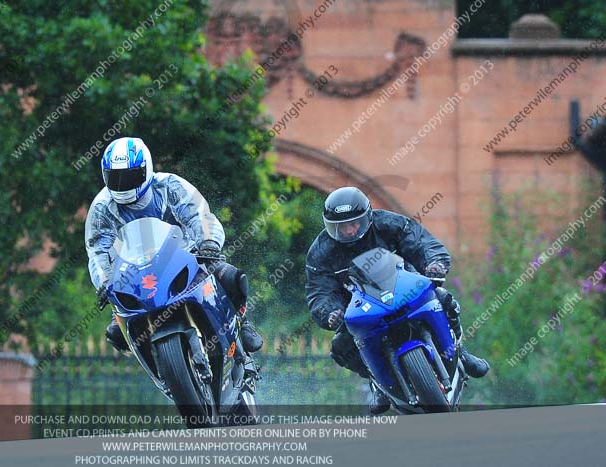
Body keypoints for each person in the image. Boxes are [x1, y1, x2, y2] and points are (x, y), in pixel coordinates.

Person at [305, 186, 489, 414]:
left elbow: (421, 242)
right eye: (342, 227)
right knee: (340, 347)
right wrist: (329, 312)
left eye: (354, 223)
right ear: (330, 226)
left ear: (367, 218)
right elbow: (319, 291)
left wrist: (434, 263)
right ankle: (377, 383)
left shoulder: (389, 224)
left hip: (405, 290)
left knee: (444, 298)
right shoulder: (321, 252)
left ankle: (461, 352)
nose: (350, 231)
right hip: (362, 309)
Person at [84, 136, 263, 353]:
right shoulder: (102, 207)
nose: (123, 184)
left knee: (232, 278)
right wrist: (104, 281)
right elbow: (97, 250)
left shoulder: (169, 185)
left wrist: (208, 243)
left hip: (188, 257)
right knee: (116, 334)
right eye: (115, 177)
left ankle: (241, 323)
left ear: (145, 168)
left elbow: (199, 215)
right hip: (135, 277)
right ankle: (162, 369)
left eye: (129, 176)